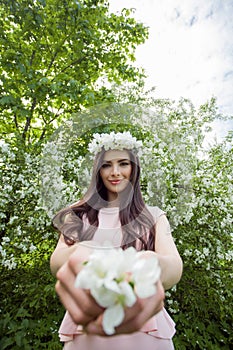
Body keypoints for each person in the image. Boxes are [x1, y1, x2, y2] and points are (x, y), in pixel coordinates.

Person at [50, 131, 183, 350]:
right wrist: (83, 253)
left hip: (146, 329)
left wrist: (148, 266)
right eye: (106, 165)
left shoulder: (154, 216)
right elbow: (57, 262)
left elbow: (174, 267)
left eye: (123, 164)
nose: (115, 172)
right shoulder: (78, 214)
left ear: (134, 169)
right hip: (88, 328)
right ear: (97, 170)